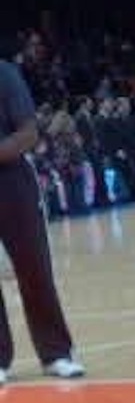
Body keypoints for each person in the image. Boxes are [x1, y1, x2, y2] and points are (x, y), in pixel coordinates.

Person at [0, 58, 85, 384]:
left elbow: (28, 133)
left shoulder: (5, 73)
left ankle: (56, 353)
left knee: (34, 268)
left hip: (13, 182)